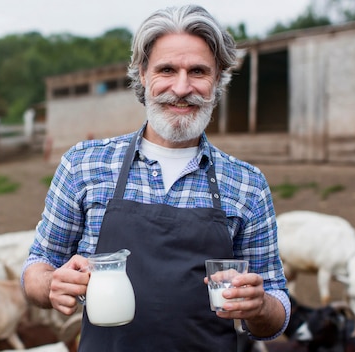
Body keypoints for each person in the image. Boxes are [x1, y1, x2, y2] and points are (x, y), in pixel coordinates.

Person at [22, 4, 290, 351]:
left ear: (218, 78)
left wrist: (261, 306)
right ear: (143, 74)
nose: (181, 88)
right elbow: (36, 267)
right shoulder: (84, 164)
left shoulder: (247, 184)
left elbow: (277, 308)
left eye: (198, 71)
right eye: (167, 69)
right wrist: (50, 285)